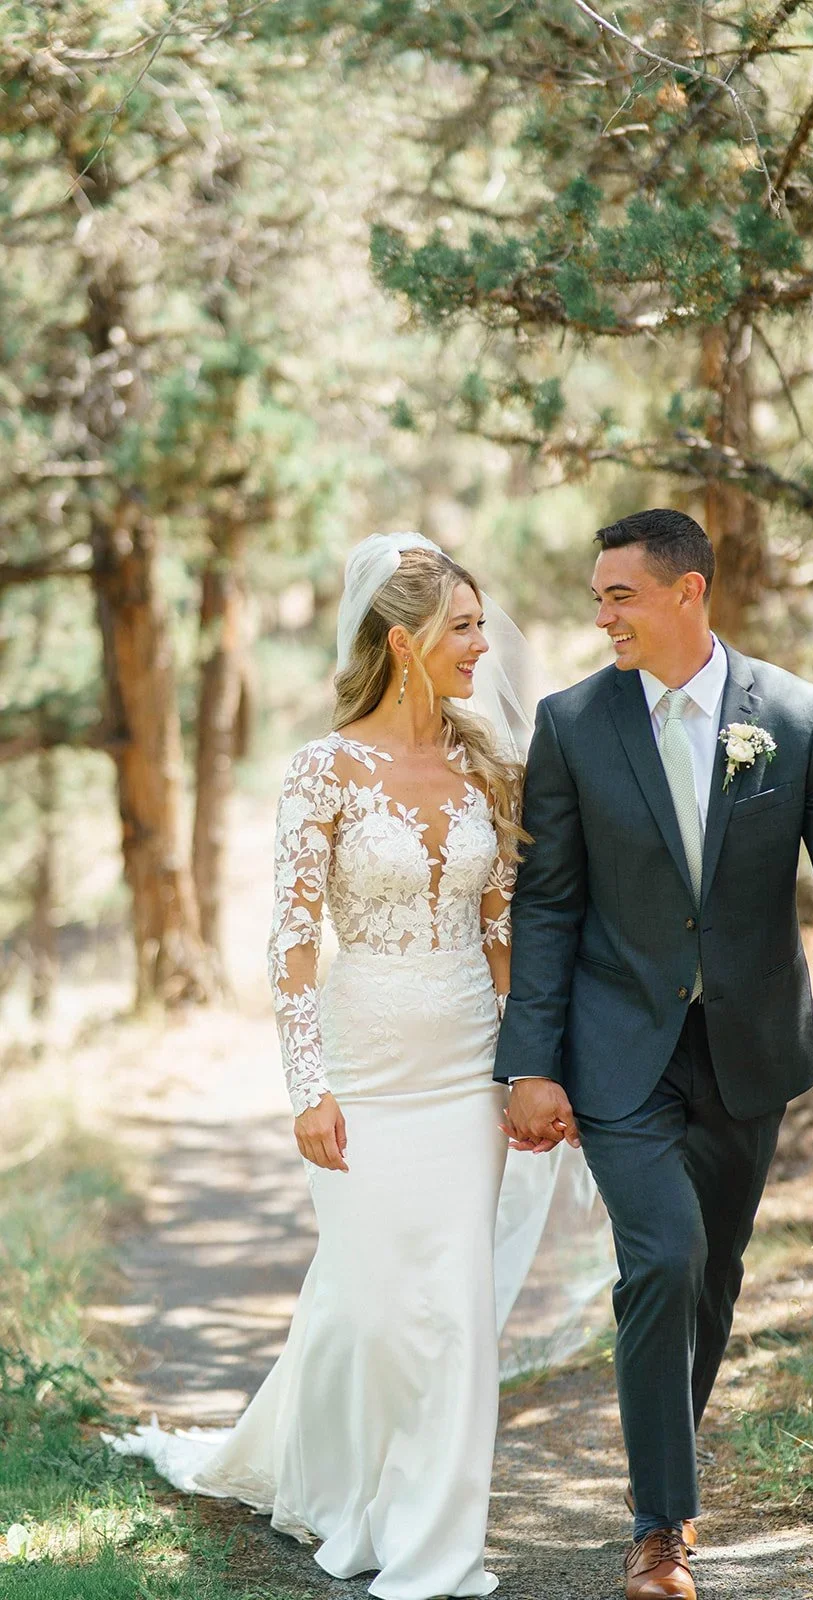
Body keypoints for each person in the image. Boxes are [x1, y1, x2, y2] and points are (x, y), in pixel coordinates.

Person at [496, 508, 813, 1600]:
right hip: (615, 1047)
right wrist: (530, 1062)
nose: (600, 617)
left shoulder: (791, 713)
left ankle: (659, 1474)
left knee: (714, 1278)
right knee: (664, 1257)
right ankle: (658, 1532)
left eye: (619, 596)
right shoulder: (572, 724)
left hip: (746, 1049)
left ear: (687, 593)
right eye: (594, 596)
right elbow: (546, 909)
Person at [115, 535, 528, 1598]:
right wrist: (308, 1087)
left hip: (468, 1070)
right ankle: (348, 1489)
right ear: (403, 641)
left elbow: (501, 935)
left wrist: (530, 1063)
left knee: (454, 1307)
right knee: (377, 1306)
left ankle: (436, 1542)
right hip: (364, 1068)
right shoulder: (321, 771)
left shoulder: (487, 764)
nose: (484, 645)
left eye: (483, 624)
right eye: (463, 627)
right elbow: (291, 941)